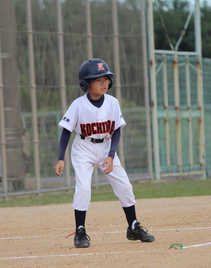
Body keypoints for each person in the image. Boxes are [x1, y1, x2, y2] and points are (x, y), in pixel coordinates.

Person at [54, 58, 155, 248]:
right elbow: (66, 131)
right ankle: (80, 231)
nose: (104, 83)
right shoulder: (78, 105)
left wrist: (111, 154)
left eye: (106, 79)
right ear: (86, 83)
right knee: (83, 188)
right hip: (83, 147)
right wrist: (60, 158)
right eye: (98, 79)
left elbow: (116, 129)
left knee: (125, 185)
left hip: (106, 148)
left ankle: (133, 227)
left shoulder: (113, 102)